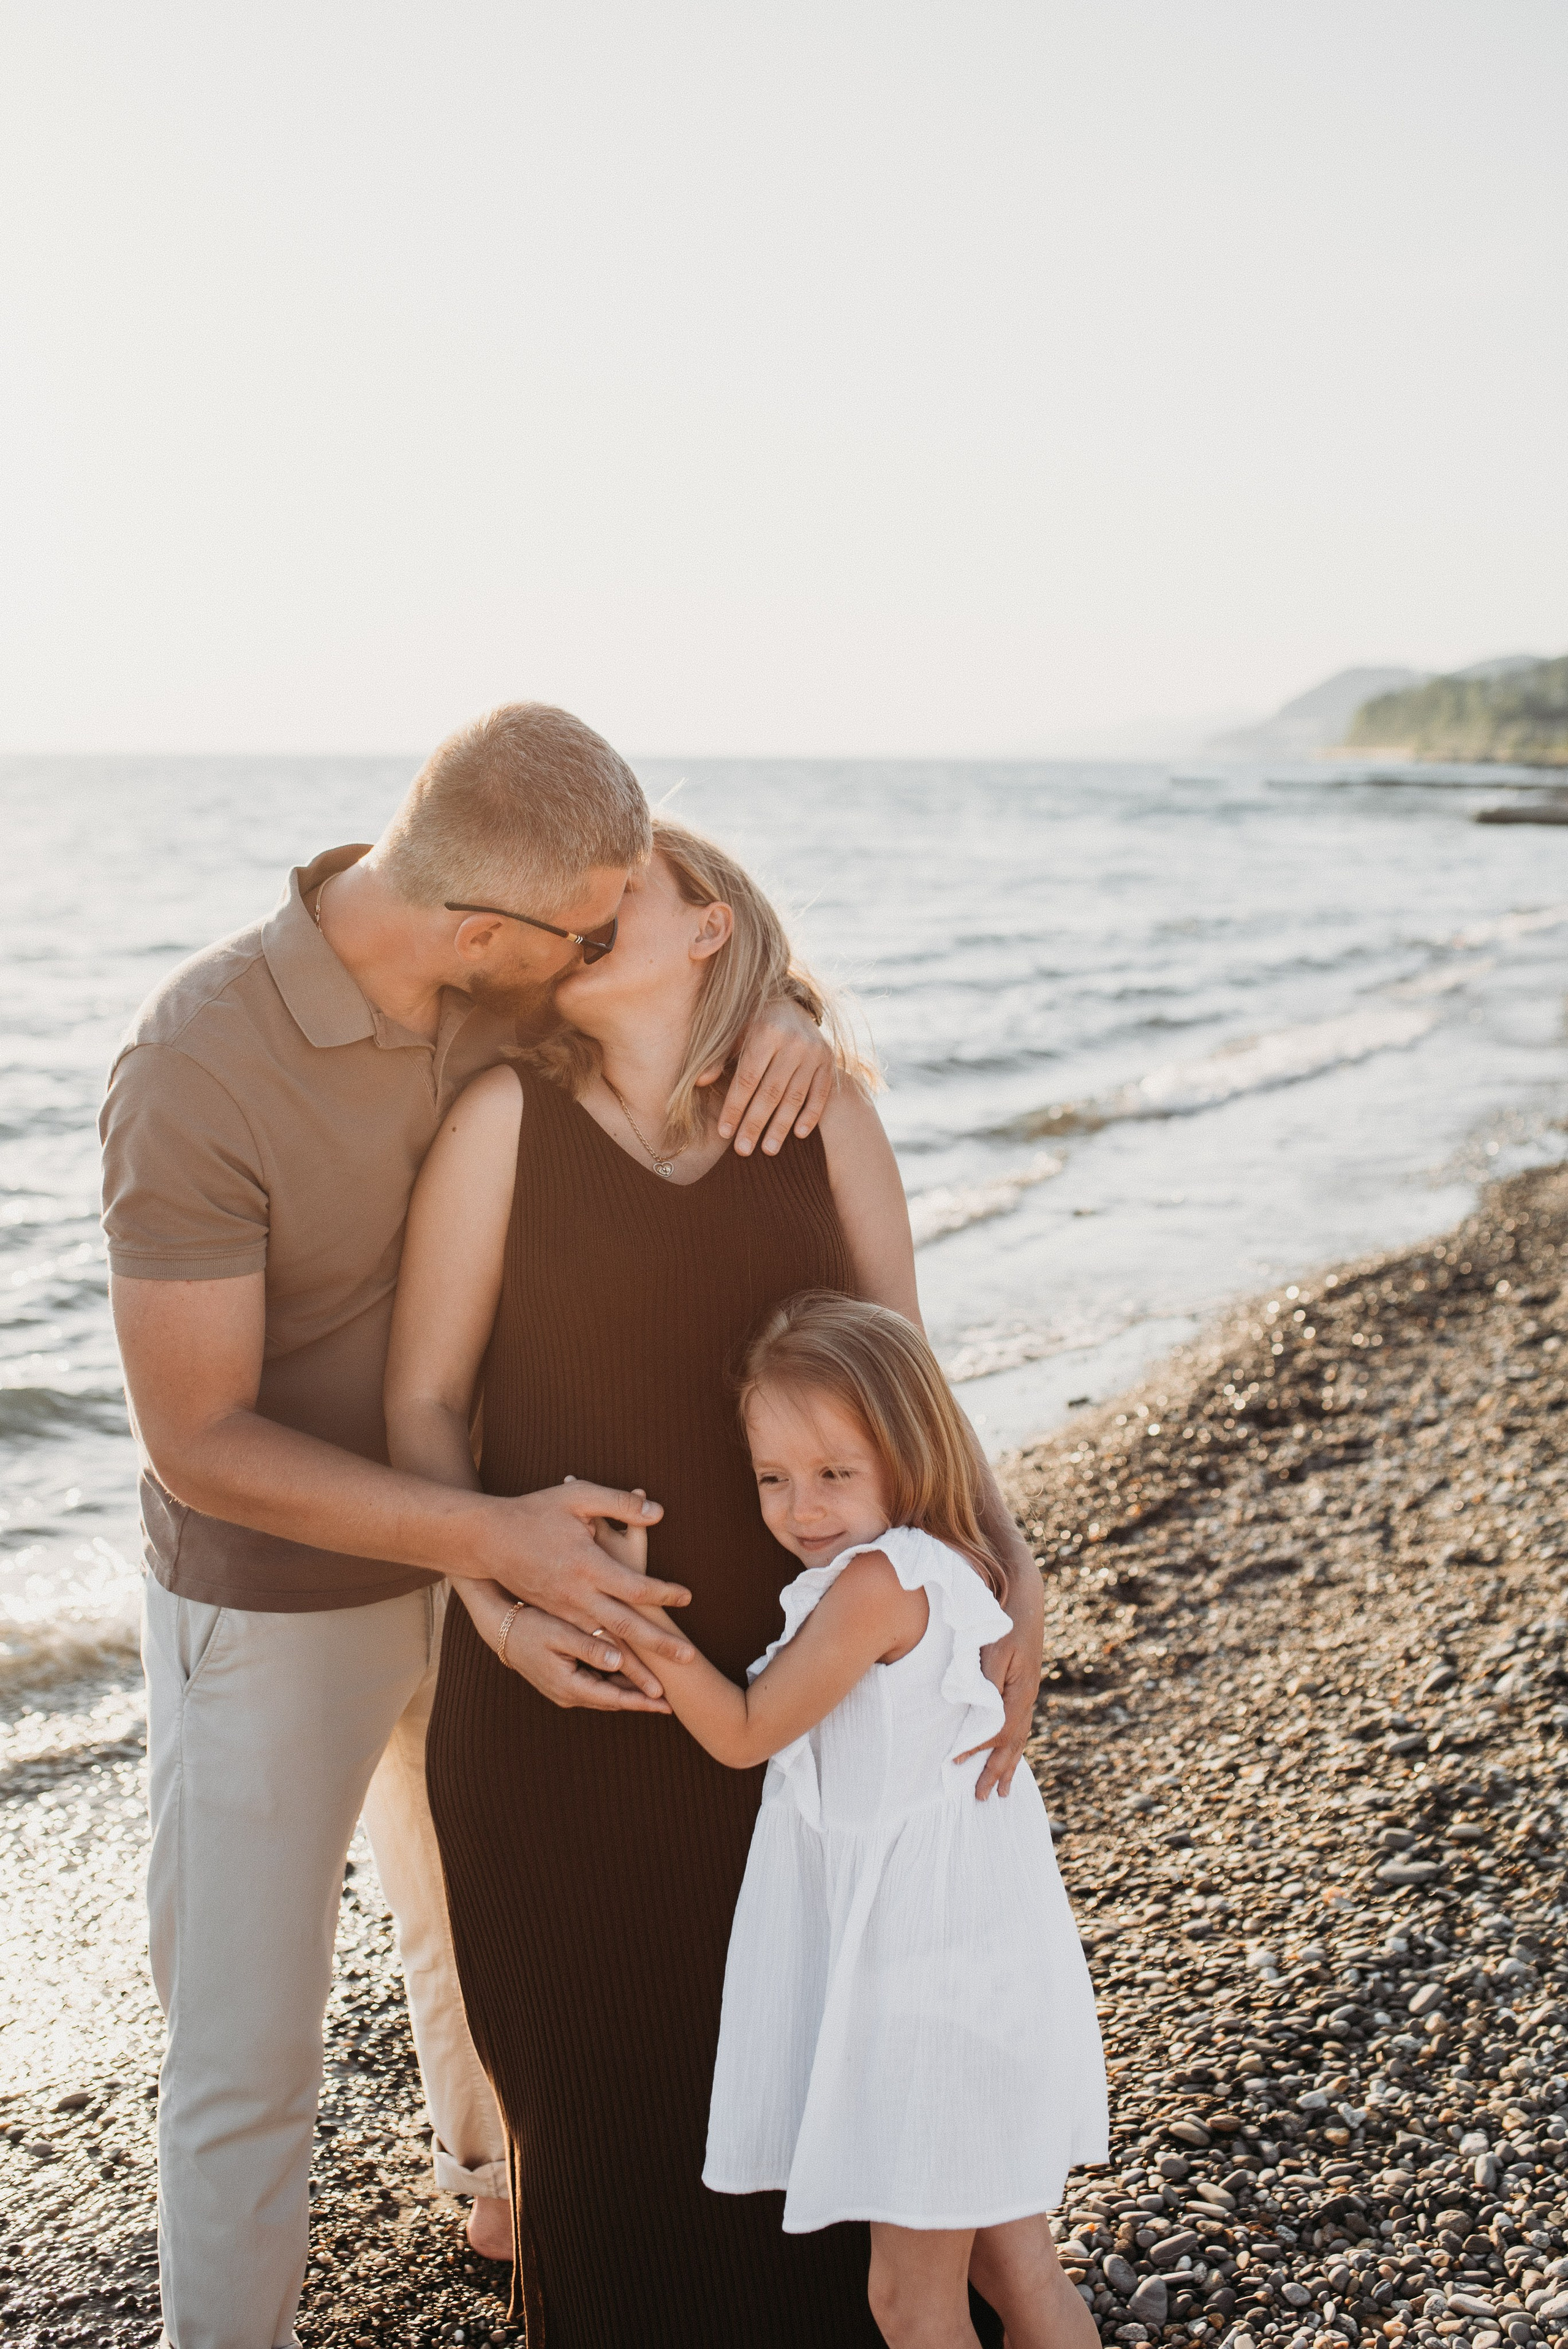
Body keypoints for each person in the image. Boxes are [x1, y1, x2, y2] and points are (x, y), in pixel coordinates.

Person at [100, 704, 835, 2349]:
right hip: (278, 1599)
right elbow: (196, 1436)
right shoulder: (196, 1061)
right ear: (486, 927)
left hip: (502, 1540)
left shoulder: (501, 971)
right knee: (245, 2042)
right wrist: (485, 1544)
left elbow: (672, 974)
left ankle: (491, 2189)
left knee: (465, 1914)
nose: (592, 949)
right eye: (581, 927)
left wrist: (777, 1002)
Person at [383, 813, 1047, 2347]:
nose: (583, 908)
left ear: (710, 925)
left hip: (809, 1725)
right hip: (564, 1711)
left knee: (821, 2154)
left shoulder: (820, 1114)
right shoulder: (502, 1118)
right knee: (605, 2152)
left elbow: (910, 1387)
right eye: (565, 900)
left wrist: (1007, 1557)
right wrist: (492, 1600)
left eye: (624, 883)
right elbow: (421, 1404)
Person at [612, 1291, 1109, 2349]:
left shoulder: (877, 1588)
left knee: (909, 2303)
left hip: (924, 1986)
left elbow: (746, 1731)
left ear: (910, 1452)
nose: (801, 1510)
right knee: (1016, 2266)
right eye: (773, 1478)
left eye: (835, 1473)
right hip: (973, 1959)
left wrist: (637, 1619)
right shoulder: (952, 1560)